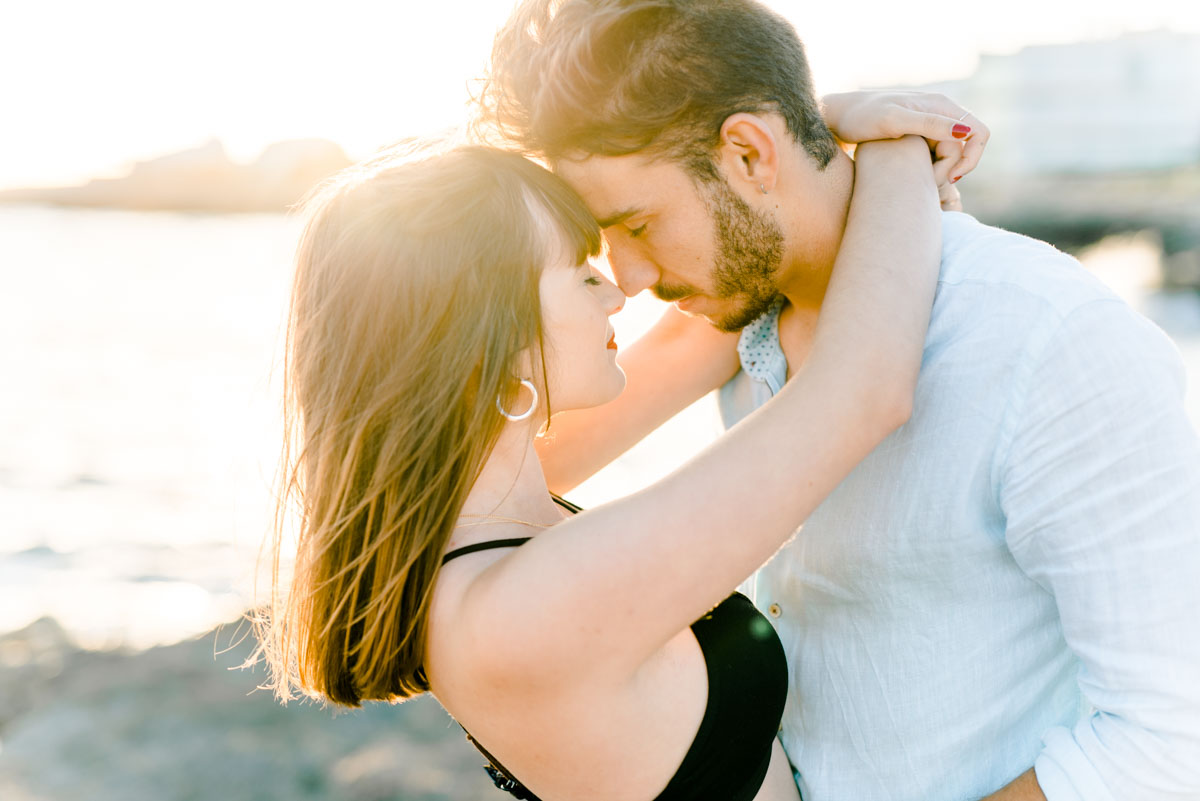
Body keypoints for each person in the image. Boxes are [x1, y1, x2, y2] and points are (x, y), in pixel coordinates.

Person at [478, 2, 1200, 800]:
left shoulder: (1047, 340)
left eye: (639, 224)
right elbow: (500, 472)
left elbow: (1170, 739)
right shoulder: (732, 326)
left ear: (750, 152)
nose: (631, 279)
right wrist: (835, 121)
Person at [255, 104, 959, 798]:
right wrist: (899, 145)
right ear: (494, 333)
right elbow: (860, 390)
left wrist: (798, 137)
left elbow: (705, 332)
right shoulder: (519, 611)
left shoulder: (479, 501)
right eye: (580, 270)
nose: (619, 291)